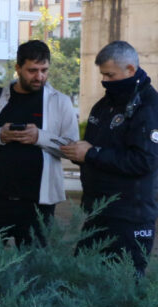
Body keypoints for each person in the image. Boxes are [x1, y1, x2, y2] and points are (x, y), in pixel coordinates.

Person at [0, 40, 79, 247]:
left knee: (33, 267)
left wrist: (40, 137)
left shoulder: (60, 102)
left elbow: (73, 148)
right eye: (32, 70)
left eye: (44, 70)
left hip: (38, 202)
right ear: (18, 68)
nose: (39, 76)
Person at [61, 41, 158, 275]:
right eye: (102, 74)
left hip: (129, 217)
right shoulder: (105, 105)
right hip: (98, 212)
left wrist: (92, 154)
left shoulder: (148, 107)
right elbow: (98, 151)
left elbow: (144, 161)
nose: (104, 80)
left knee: (122, 288)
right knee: (81, 279)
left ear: (130, 70)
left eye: (110, 75)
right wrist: (78, 153)